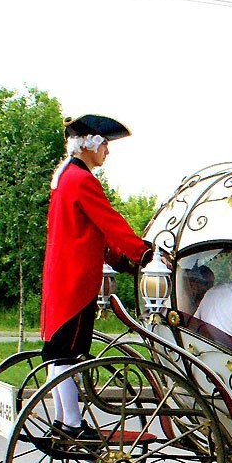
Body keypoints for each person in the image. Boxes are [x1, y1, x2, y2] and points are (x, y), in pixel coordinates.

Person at [41, 114, 153, 437]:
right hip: (75, 282)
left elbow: (88, 232)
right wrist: (141, 252)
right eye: (105, 144)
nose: (108, 151)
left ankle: (63, 421)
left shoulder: (64, 177)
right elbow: (109, 221)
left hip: (60, 278)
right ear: (89, 144)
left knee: (58, 352)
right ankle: (72, 425)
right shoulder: (82, 180)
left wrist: (118, 257)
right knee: (68, 354)